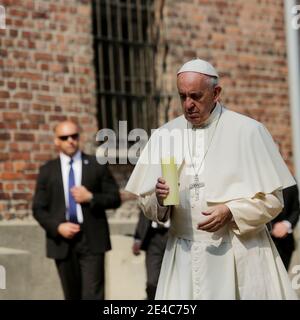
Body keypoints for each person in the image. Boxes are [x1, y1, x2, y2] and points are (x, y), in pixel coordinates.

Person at [125, 58, 298, 299]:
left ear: (216, 93)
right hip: (183, 253)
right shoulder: (166, 134)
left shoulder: (247, 131)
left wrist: (231, 211)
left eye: (196, 96)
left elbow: (273, 200)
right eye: (182, 96)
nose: (188, 105)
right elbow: (146, 204)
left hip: (238, 253)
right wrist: (160, 199)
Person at [33, 120, 121, 300]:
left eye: (74, 136)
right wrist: (57, 227)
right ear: (57, 141)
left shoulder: (96, 165)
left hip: (92, 239)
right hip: (62, 242)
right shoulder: (47, 170)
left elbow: (115, 198)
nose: (70, 140)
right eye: (64, 137)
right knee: (71, 295)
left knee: (93, 295)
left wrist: (91, 198)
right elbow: (38, 209)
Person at [132, 210, 169, 300]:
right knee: (152, 282)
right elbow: (144, 211)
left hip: (176, 237)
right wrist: (138, 238)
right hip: (153, 238)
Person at [271, 184, 300, 270]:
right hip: (263, 242)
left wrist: (286, 225)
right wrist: (271, 227)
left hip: (286, 244)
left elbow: (296, 209)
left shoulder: (290, 183)